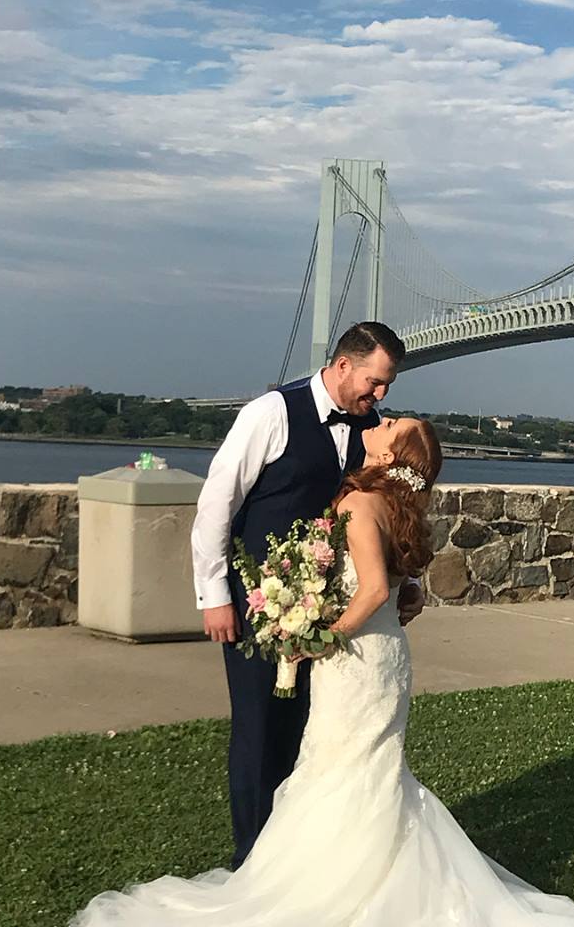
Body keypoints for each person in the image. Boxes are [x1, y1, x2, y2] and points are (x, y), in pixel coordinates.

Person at [71, 417, 574, 926]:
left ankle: (337, 888)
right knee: (364, 770)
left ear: (389, 457)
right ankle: (371, 876)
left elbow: (371, 590)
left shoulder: (360, 502)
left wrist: (320, 638)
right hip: (384, 658)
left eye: (391, 428)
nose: (382, 423)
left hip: (357, 661)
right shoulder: (395, 507)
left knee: (339, 768)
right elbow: (394, 584)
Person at [190, 321, 422, 870]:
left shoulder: (374, 432)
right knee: (259, 728)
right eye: (374, 381)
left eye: (387, 385)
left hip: (332, 610)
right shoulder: (270, 413)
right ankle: (251, 860)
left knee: (311, 729)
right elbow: (217, 503)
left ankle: (300, 857)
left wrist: (407, 581)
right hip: (258, 603)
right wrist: (214, 594)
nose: (380, 395)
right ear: (342, 365)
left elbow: (391, 517)